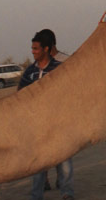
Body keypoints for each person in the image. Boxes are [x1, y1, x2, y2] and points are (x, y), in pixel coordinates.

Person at [18, 31, 74, 200]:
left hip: (59, 121)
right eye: (32, 48)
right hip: (37, 123)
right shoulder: (30, 72)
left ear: (46, 49)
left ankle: (67, 193)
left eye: (36, 48)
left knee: (64, 160)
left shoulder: (59, 67)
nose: (33, 51)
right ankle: (37, 195)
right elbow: (21, 94)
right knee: (39, 162)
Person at [34, 29, 74, 194]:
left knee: (63, 155)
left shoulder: (65, 62)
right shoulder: (38, 65)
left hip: (61, 115)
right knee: (40, 153)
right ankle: (46, 183)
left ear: (47, 47)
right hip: (41, 116)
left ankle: (66, 191)